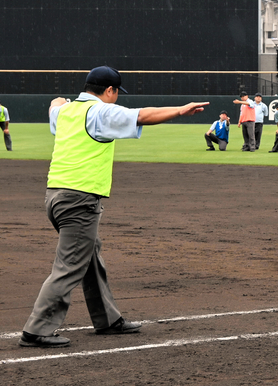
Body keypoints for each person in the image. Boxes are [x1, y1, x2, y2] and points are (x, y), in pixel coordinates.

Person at [19, 66, 208, 348]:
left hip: (56, 196)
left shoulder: (66, 112)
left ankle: (107, 319)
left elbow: (54, 104)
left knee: (89, 255)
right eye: (116, 93)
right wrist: (181, 110)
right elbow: (143, 114)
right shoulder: (101, 112)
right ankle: (36, 329)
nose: (116, 98)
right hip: (79, 200)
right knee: (69, 265)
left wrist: (61, 101)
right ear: (109, 90)